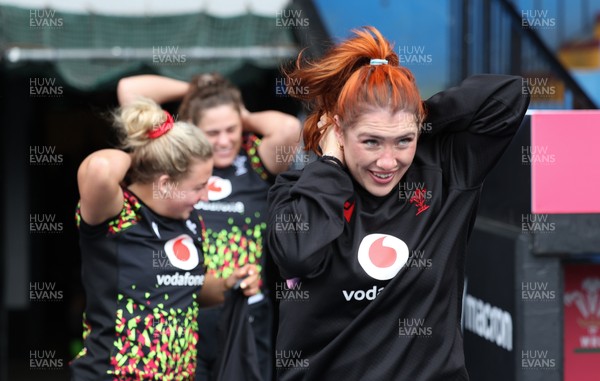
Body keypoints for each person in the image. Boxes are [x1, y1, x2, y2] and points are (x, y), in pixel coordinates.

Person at [266, 26, 530, 380]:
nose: (388, 162)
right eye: (371, 142)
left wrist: (409, 110)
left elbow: (511, 95)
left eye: (403, 141)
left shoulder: (446, 172)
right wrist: (329, 165)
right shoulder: (297, 191)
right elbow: (297, 254)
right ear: (339, 131)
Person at [117, 74, 301, 381]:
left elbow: (290, 128)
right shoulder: (176, 163)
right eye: (212, 132)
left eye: (231, 129)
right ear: (192, 130)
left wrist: (235, 109)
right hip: (186, 312)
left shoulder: (255, 159)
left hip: (247, 310)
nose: (225, 140)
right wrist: (196, 90)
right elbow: (129, 90)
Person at [70, 97, 260, 380]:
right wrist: (149, 152)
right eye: (198, 186)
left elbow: (189, 288)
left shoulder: (190, 221)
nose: (205, 196)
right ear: (164, 183)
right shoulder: (119, 213)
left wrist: (228, 284)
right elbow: (98, 168)